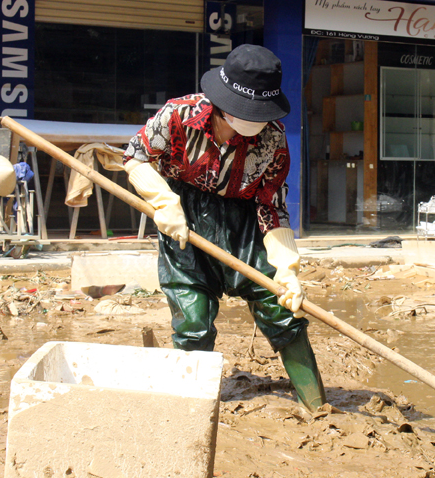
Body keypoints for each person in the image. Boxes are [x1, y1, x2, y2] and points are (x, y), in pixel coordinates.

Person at [123, 44, 326, 411]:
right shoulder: (177, 115)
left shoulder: (273, 139)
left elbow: (272, 204)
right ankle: (188, 407)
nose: (250, 125)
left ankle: (317, 405)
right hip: (184, 219)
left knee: (281, 308)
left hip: (243, 219)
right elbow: (135, 156)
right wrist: (164, 201)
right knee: (193, 317)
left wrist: (288, 268)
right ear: (220, 102)